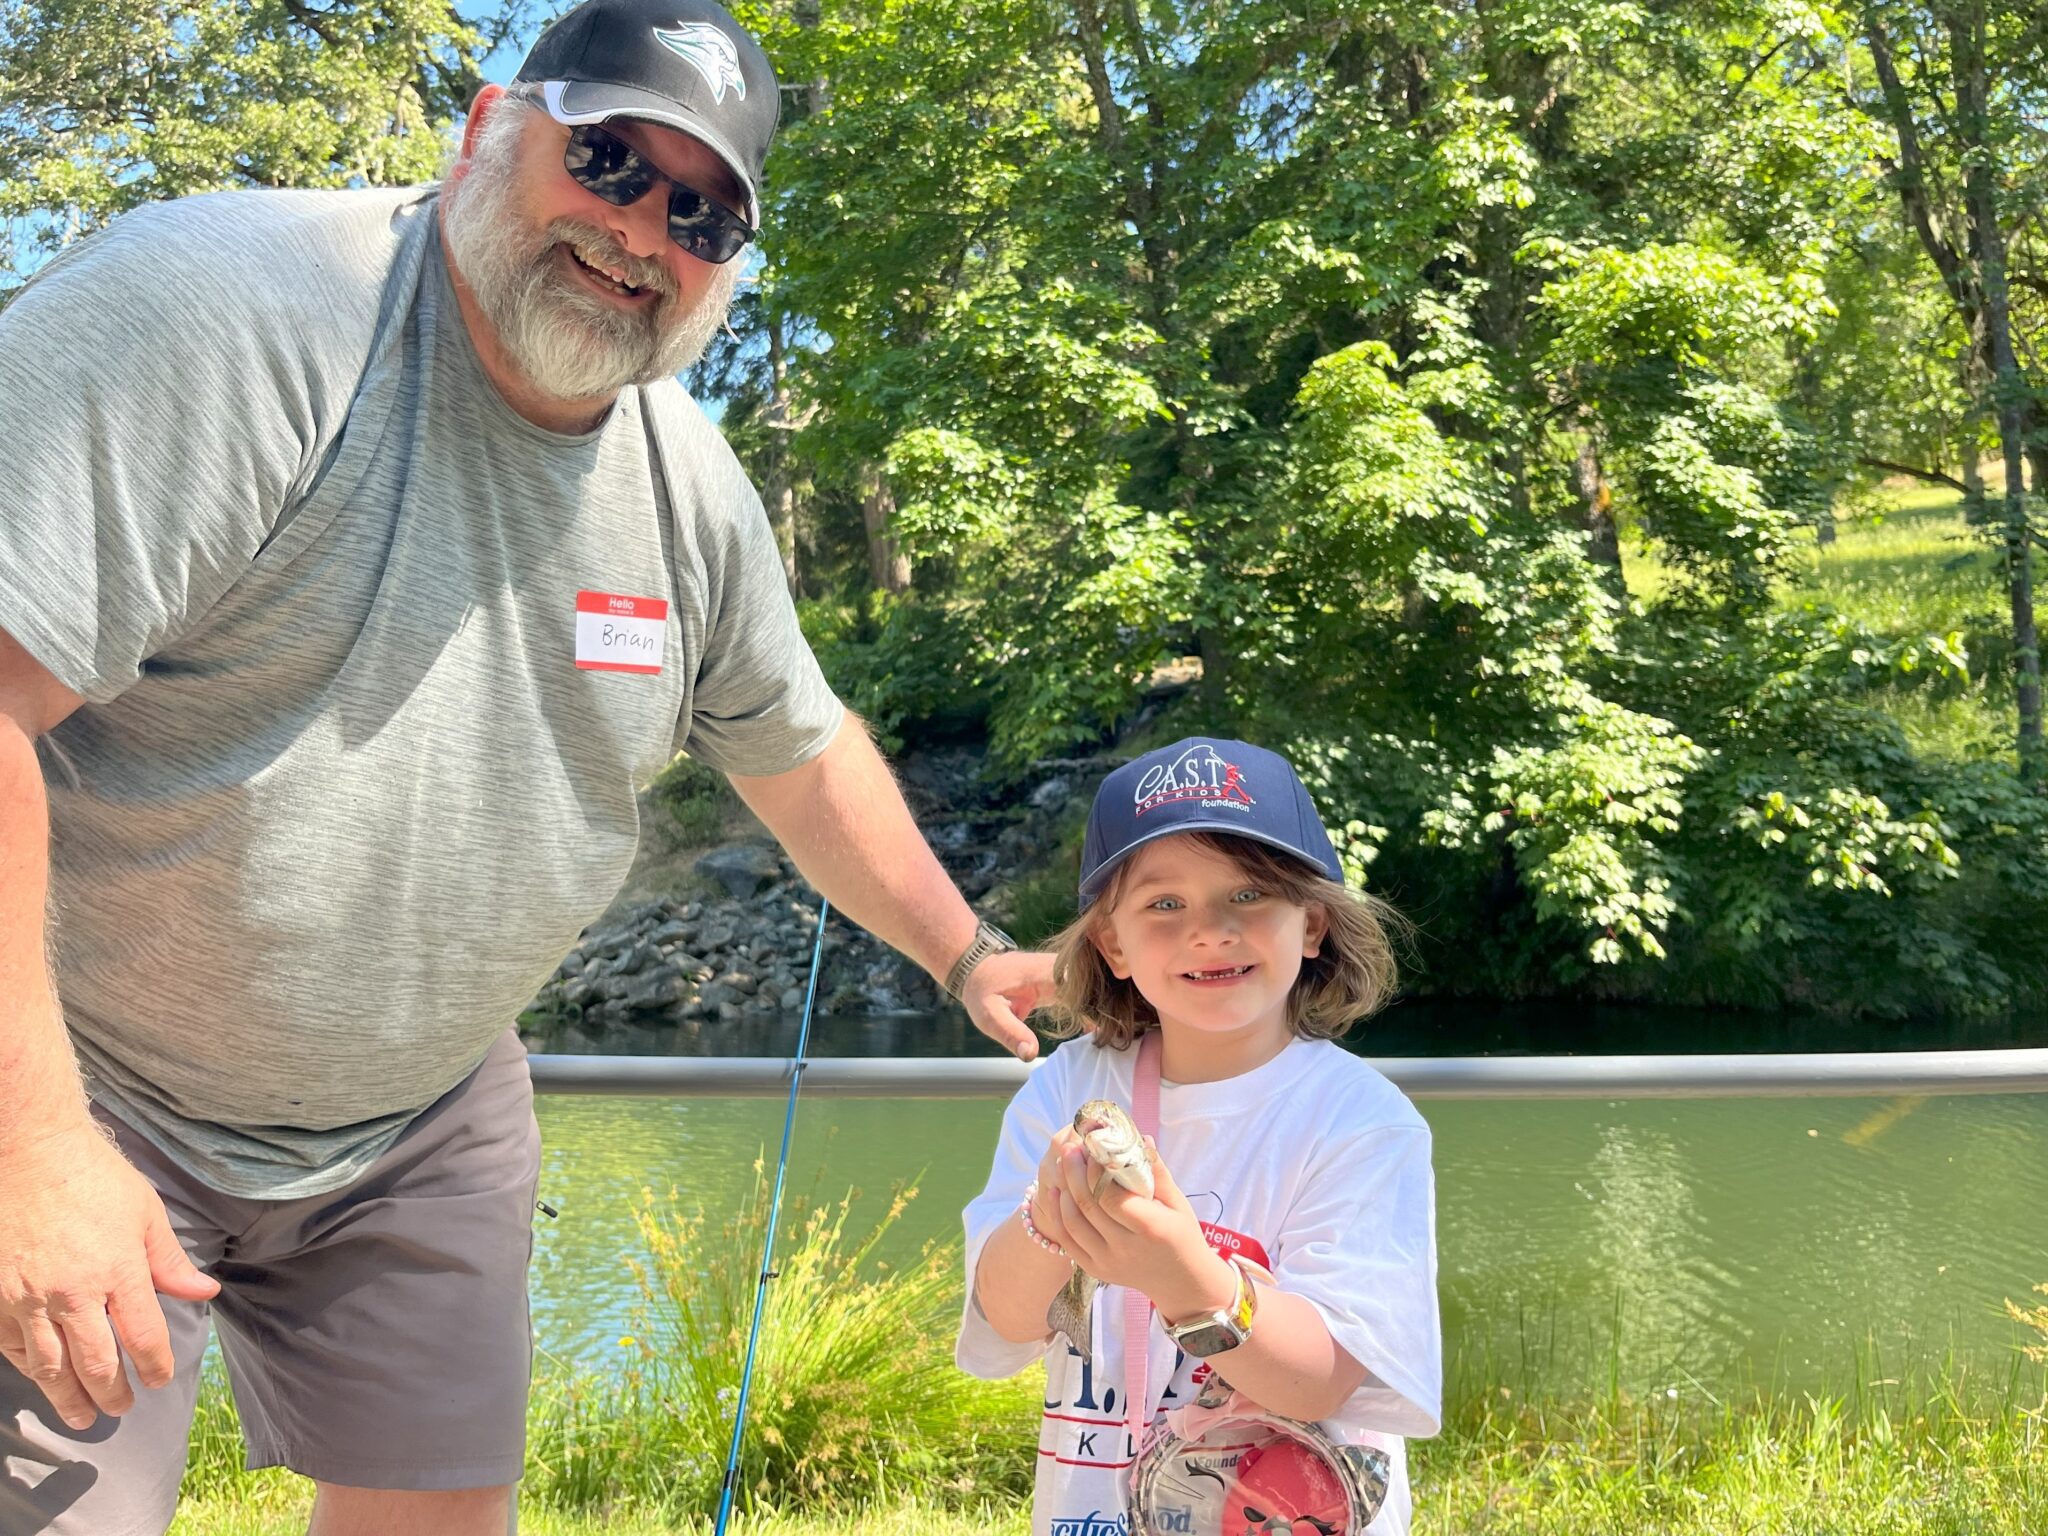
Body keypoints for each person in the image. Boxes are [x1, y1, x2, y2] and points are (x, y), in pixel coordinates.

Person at [0, 0, 1052, 1530]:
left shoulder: (687, 485)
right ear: (491, 127)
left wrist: (970, 957)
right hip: (90, 1078)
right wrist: (30, 1146)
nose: (642, 229)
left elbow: (805, 755)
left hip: (421, 1116)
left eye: (700, 209)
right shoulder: (232, 310)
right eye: (610, 158)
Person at [957, 738, 1442, 1535]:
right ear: (1112, 944)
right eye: (1163, 904)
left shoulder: (1363, 1120)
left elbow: (1319, 1381)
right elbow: (1004, 1321)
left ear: (1312, 924)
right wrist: (1050, 1222)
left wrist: (1187, 1279)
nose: (1210, 931)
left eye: (1250, 894)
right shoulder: (1067, 1087)